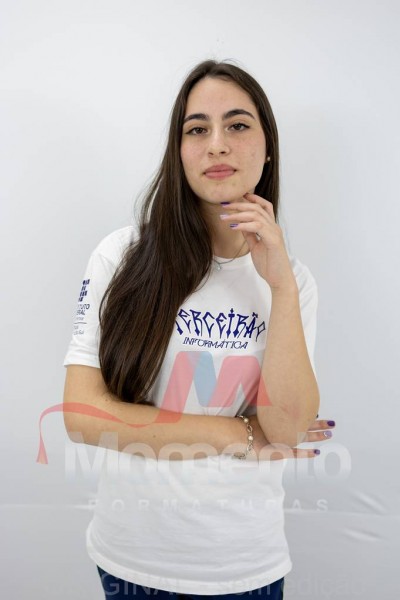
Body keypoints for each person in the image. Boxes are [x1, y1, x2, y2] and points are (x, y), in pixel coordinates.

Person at [63, 60, 335, 599]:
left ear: (267, 147)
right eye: (196, 129)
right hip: (132, 561)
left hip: (245, 566)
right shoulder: (121, 256)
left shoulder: (294, 282)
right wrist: (241, 434)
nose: (216, 145)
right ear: (179, 150)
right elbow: (82, 416)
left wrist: (279, 287)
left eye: (237, 125)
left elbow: (286, 428)